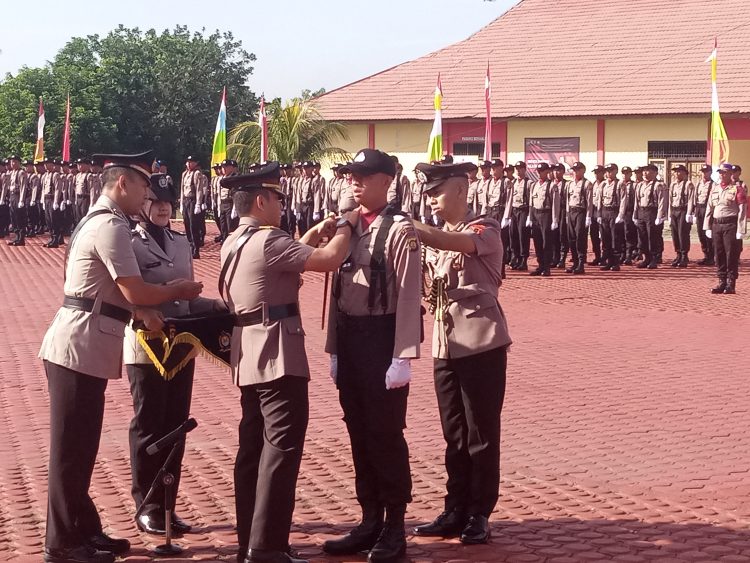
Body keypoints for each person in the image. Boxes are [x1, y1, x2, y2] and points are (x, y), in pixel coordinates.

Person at [38, 151, 204, 563]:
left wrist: (143, 310)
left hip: (87, 340)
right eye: (144, 185)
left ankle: (85, 528)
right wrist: (176, 291)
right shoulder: (110, 225)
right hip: (79, 343)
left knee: (82, 446)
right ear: (123, 184)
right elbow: (135, 290)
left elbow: (119, 294)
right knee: (70, 450)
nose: (148, 194)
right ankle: (61, 543)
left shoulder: (98, 221)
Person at [220, 162, 354, 563]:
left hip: (248, 355)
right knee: (280, 450)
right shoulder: (271, 240)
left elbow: (288, 260)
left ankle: (251, 540)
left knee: (253, 451)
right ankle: (267, 546)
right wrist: (346, 222)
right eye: (278, 198)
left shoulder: (236, 240)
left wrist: (311, 236)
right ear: (261, 200)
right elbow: (329, 259)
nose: (282, 204)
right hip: (277, 355)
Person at [323, 149, 422, 563]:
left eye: (364, 175)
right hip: (350, 338)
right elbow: (335, 289)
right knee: (358, 432)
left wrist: (403, 356)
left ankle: (394, 524)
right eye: (351, 175)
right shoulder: (346, 227)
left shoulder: (400, 230)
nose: (355, 182)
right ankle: (369, 519)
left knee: (385, 434)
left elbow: (409, 295)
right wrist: (333, 348)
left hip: (382, 340)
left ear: (387, 180)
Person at [410, 160, 511, 545]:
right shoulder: (437, 233)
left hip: (481, 342)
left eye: (437, 192)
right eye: (428, 194)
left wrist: (408, 226)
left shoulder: (485, 228)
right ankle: (454, 508)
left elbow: (454, 243)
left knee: (480, 433)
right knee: (453, 432)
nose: (431, 200)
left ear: (459, 191)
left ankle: (479, 512)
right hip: (445, 344)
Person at [124, 173, 224, 537]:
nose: (164, 206)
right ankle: (146, 505)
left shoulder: (182, 242)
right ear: (143, 206)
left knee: (176, 425)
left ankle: (168, 505)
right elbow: (130, 295)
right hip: (146, 345)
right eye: (155, 200)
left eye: (168, 201)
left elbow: (187, 298)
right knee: (149, 424)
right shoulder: (130, 243)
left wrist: (214, 304)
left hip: (181, 346)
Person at [705, 164, 747, 294]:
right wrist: (707, 226)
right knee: (719, 254)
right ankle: (721, 281)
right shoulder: (715, 188)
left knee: (731, 255)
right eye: (720, 173)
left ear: (731, 174)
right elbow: (709, 207)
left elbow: (742, 210)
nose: (722, 175)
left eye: (725, 173)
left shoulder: (737, 189)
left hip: (731, 225)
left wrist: (741, 229)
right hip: (717, 225)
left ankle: (731, 283)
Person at [528, 162, 560, 276]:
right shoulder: (534, 185)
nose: (539, 173)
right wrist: (530, 217)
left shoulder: (552, 186)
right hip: (536, 214)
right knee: (537, 242)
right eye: (538, 171)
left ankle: (547, 267)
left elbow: (556, 204)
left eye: (542, 171)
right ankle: (540, 265)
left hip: (546, 215)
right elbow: (531, 203)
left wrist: (555, 220)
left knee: (547, 242)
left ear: (547, 172)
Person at [634, 164, 668, 269]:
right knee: (642, 236)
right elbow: (637, 200)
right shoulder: (640, 185)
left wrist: (660, 216)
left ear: (655, 173)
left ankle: (654, 258)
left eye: (648, 171)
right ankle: (646, 258)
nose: (644, 173)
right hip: (641, 212)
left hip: (652, 212)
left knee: (652, 236)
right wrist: (635, 215)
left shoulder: (659, 185)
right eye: (644, 171)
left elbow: (662, 201)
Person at [597, 164, 628, 271]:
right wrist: (599, 214)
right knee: (606, 238)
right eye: (607, 171)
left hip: (614, 211)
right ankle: (609, 261)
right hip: (605, 211)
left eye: (611, 170)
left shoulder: (620, 184)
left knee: (615, 238)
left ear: (616, 171)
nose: (608, 173)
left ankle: (615, 262)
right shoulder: (603, 184)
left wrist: (621, 215)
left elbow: (623, 200)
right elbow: (599, 200)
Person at [564, 162, 593, 274]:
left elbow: (589, 202)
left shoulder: (587, 184)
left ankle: (581, 264)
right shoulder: (570, 184)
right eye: (574, 170)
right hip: (571, 212)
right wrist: (567, 214)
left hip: (581, 212)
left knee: (580, 238)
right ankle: (575, 262)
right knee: (571, 238)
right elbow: (567, 200)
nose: (575, 172)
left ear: (583, 170)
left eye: (578, 170)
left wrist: (588, 217)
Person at [503, 161, 531, 270]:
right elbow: (508, 199)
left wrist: (529, 215)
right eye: (517, 169)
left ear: (525, 169)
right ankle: (515, 258)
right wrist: (508, 215)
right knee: (513, 235)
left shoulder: (528, 183)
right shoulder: (512, 182)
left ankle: (524, 260)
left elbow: (530, 200)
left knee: (523, 235)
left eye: (520, 168)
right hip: (514, 211)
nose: (518, 170)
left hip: (523, 210)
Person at [667, 165, 694, 267]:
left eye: (679, 171)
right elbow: (670, 200)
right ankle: (678, 254)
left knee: (682, 233)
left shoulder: (688, 184)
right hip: (674, 210)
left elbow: (691, 200)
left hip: (683, 210)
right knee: (675, 234)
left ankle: (684, 255)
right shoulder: (673, 184)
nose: (677, 174)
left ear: (684, 173)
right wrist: (669, 214)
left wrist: (689, 213)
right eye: (675, 172)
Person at [688, 164, 715, 266]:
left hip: (708, 210)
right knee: (701, 234)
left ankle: (711, 256)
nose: (704, 174)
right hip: (699, 209)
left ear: (710, 172)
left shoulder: (713, 185)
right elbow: (695, 198)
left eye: (706, 172)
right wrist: (694, 212)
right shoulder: (698, 184)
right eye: (703, 172)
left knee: (709, 234)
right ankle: (706, 255)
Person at [180, 156, 204, 258]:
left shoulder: (197, 174)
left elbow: (199, 190)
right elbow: (182, 189)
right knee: (186, 223)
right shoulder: (184, 174)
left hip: (193, 201)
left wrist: (198, 204)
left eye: (191, 162)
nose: (189, 164)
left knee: (193, 225)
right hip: (186, 200)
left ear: (195, 163)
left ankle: (196, 248)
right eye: (187, 162)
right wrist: (181, 203)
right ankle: (190, 245)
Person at [5, 155, 29, 246]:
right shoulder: (12, 172)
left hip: (18, 195)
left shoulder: (21, 172)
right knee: (13, 217)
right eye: (11, 162)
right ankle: (16, 236)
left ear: (19, 163)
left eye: (14, 162)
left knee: (19, 217)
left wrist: (21, 200)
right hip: (12, 195)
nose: (12, 163)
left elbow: (23, 187)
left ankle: (21, 238)